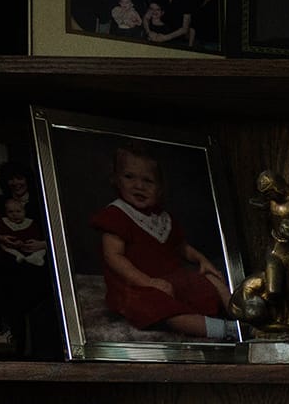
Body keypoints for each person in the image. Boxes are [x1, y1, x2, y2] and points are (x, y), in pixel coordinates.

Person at [91, 143, 234, 339]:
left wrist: (202, 260)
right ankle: (224, 330)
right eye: (129, 177)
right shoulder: (117, 215)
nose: (139, 186)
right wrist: (148, 282)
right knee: (162, 308)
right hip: (135, 285)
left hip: (169, 278)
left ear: (159, 189)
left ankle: (240, 316)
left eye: (148, 181)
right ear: (116, 179)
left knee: (209, 279)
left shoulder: (162, 217)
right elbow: (113, 257)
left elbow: (181, 247)